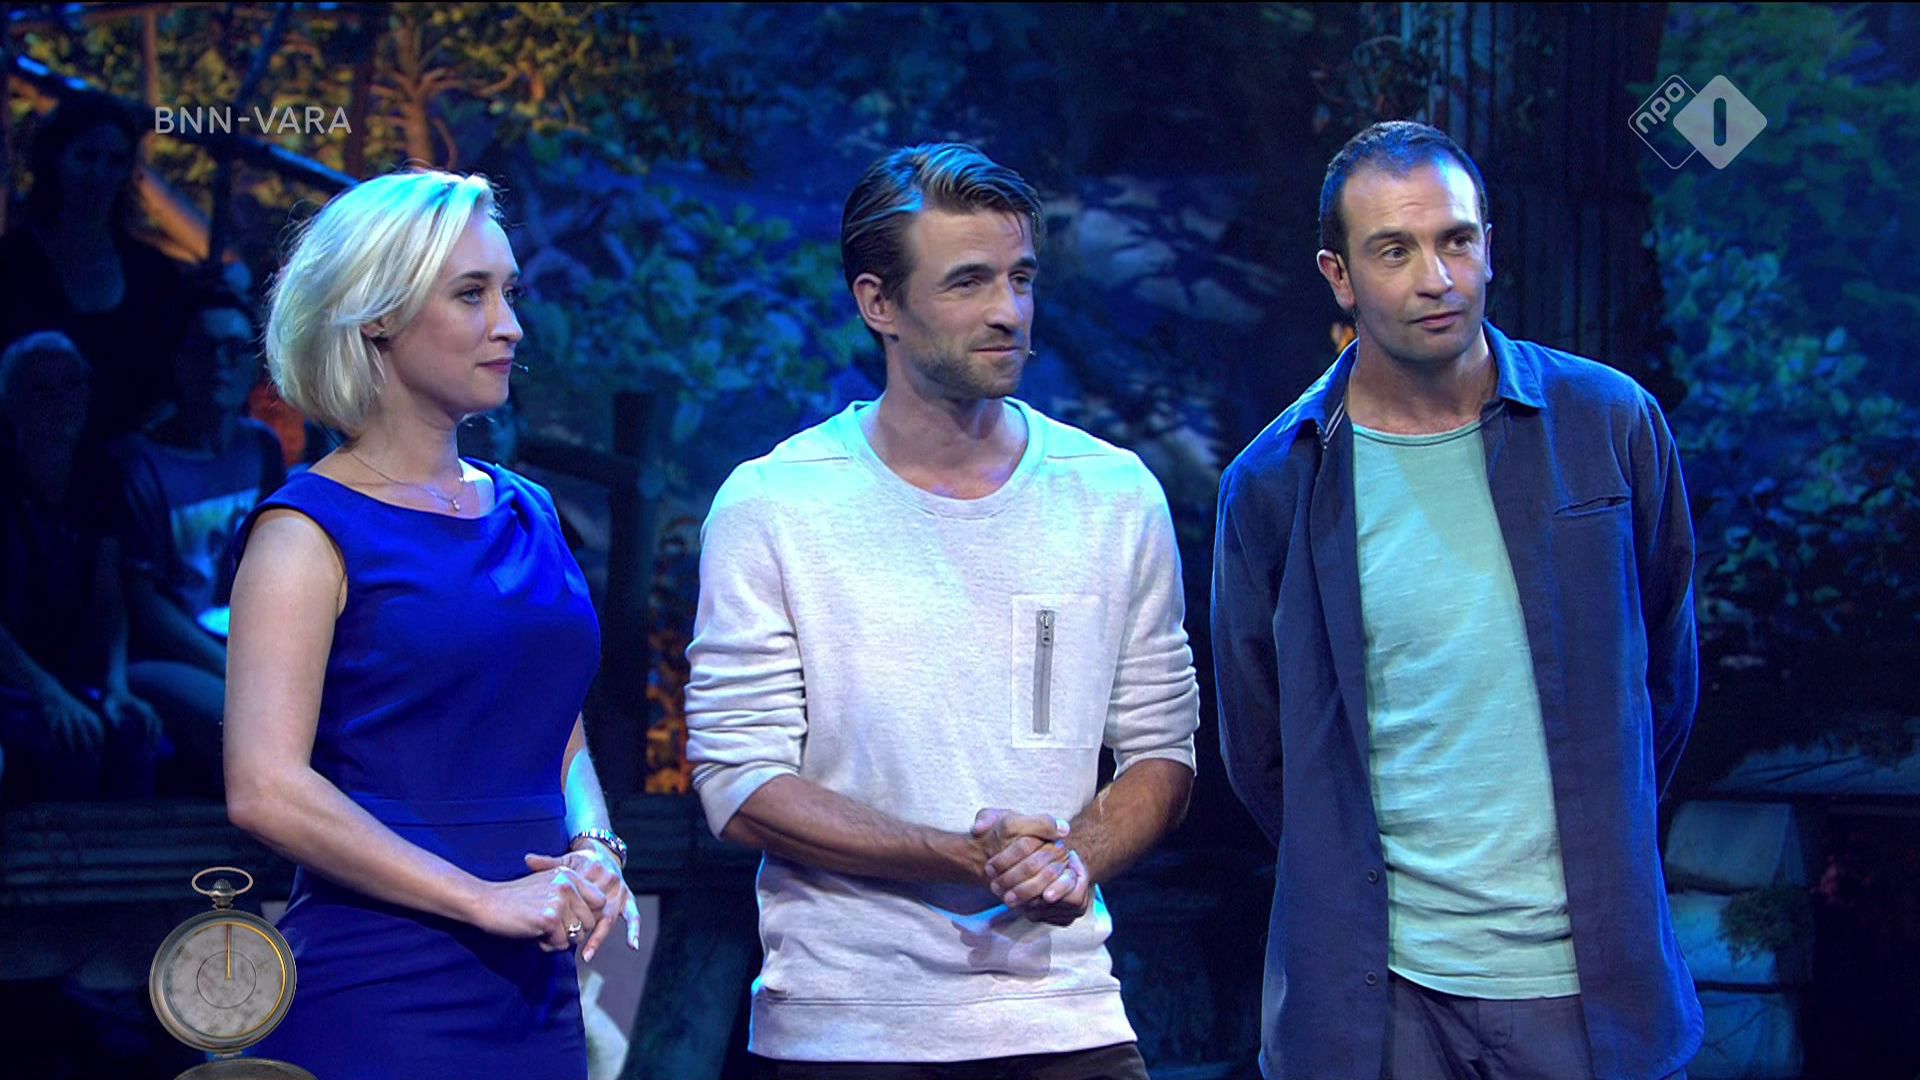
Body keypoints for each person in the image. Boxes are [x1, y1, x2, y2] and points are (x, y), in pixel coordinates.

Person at [685, 142, 1200, 1079]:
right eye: (969, 282)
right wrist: (962, 856)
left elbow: (1162, 751)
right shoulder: (775, 504)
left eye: (1020, 278)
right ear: (878, 303)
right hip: (847, 1024)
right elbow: (738, 780)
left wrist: (1072, 862)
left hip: (1065, 1014)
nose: (1009, 311)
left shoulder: (1114, 494)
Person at [1211, 120, 1701, 1080]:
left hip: (1590, 985)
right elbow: (1262, 750)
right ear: (1340, 276)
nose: (1436, 278)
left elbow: (1667, 684)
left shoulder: (1609, 423)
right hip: (1385, 999)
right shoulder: (1276, 479)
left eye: (1456, 240)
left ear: (1489, 247)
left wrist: (1607, 837)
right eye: (1394, 250)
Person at [223, 169, 640, 1079]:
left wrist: (594, 842)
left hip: (534, 989)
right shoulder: (307, 532)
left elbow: (548, 713)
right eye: (471, 294)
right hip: (380, 988)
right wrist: (483, 899)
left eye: (510, 292)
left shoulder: (528, 511)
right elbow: (263, 788)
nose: (510, 325)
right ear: (377, 315)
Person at [106, 285, 286, 795]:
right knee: (246, 727)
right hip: (171, 653)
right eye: (204, 348)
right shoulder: (139, 461)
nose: (220, 364)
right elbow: (143, 602)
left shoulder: (261, 448)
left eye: (234, 349)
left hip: (248, 644)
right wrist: (233, 668)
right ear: (178, 360)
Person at [0, 331, 161, 802]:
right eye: (41, 389)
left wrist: (115, 684)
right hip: (18, 673)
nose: (60, 401)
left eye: (72, 385)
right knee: (70, 748)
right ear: (10, 402)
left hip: (73, 667)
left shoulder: (99, 478)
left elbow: (108, 594)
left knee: (133, 736)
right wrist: (48, 694)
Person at [0, 96, 190, 448]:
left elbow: (171, 378)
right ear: (54, 160)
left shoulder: (152, 272)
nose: (99, 175)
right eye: (86, 157)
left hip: (131, 461)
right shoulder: (12, 263)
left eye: (115, 161)